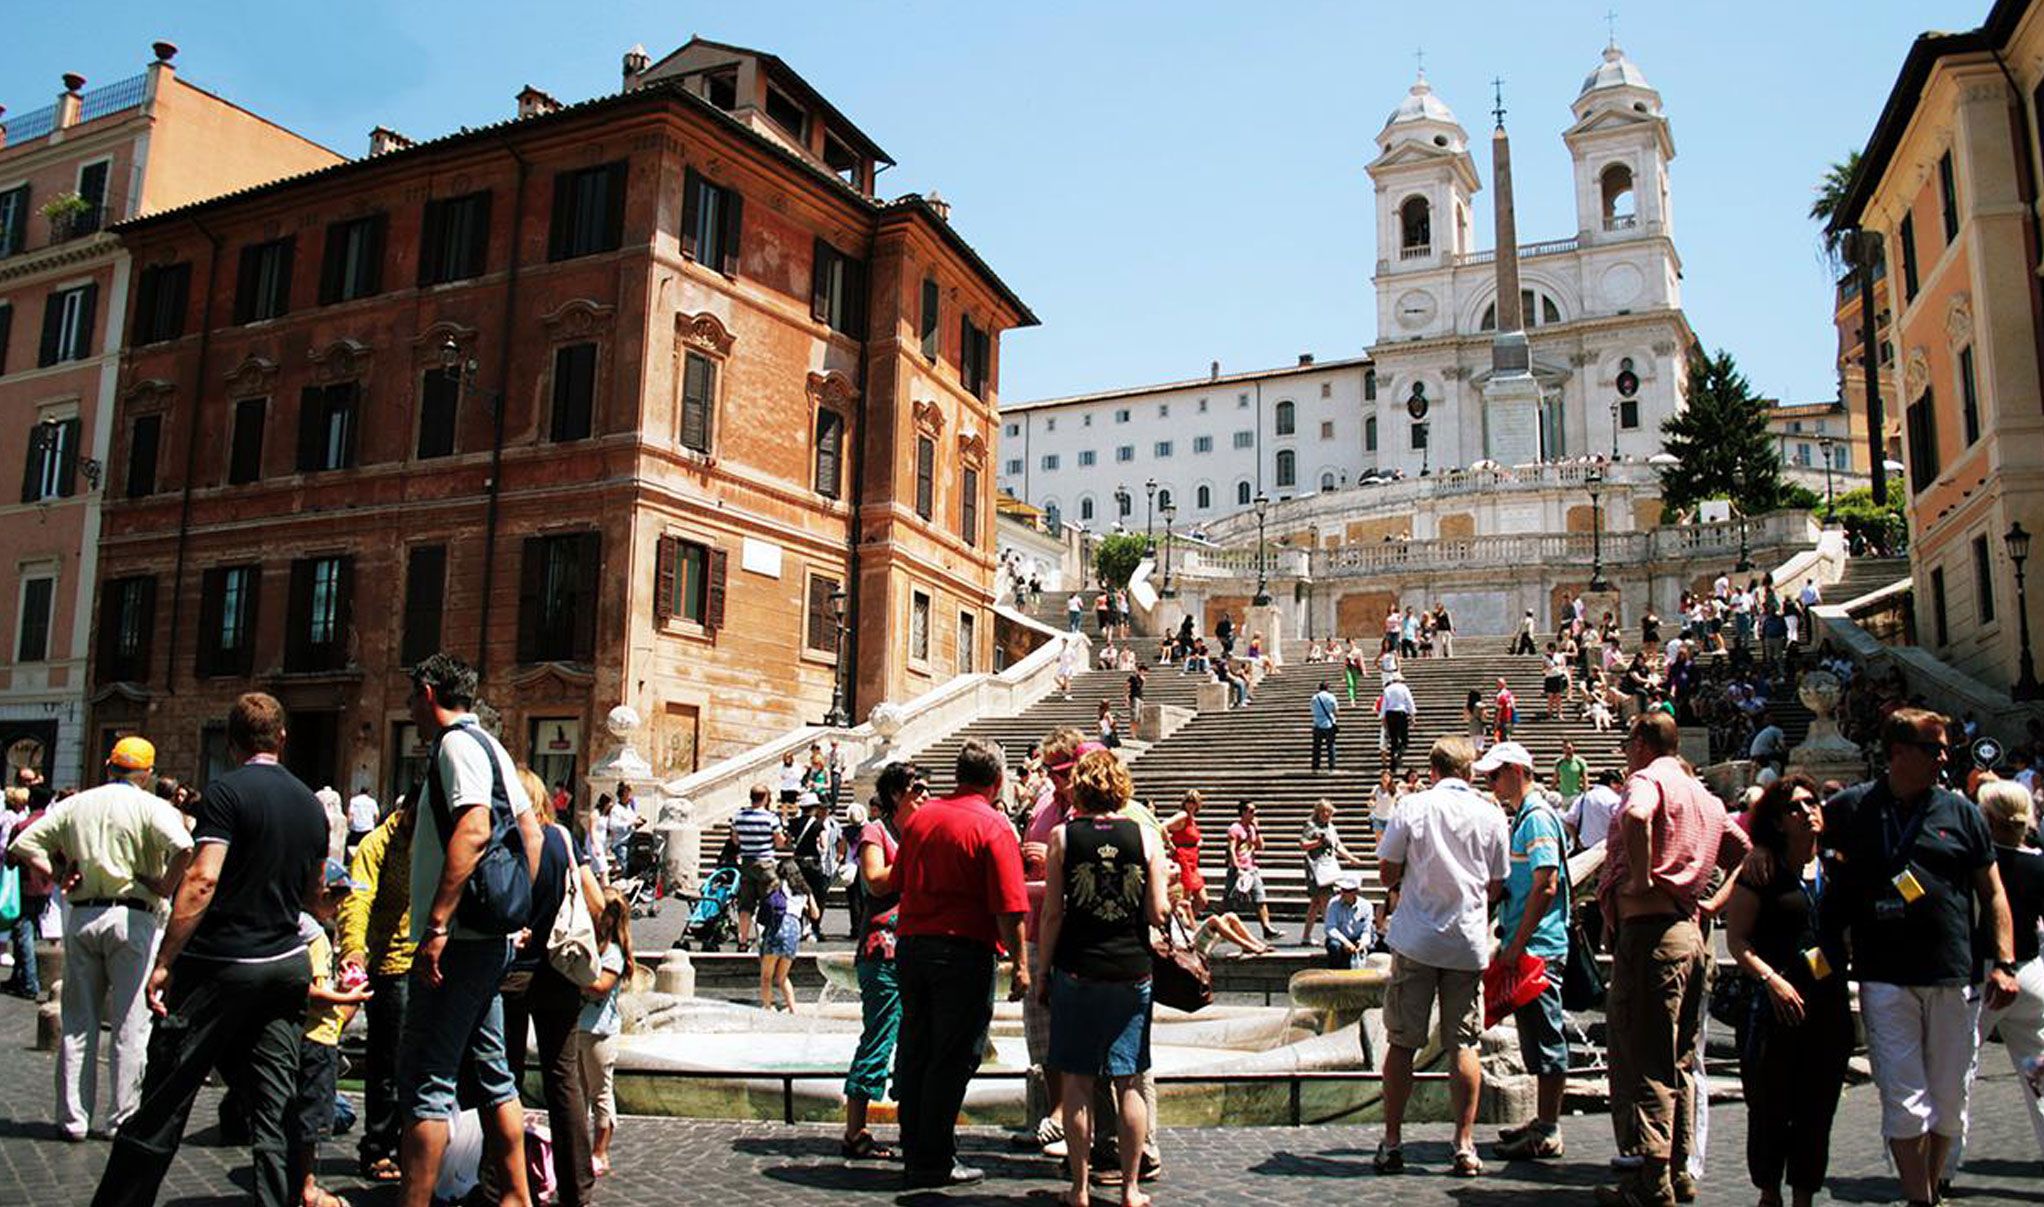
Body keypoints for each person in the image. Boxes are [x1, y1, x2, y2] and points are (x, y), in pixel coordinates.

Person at [91, 696, 329, 1207]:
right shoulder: (312, 804)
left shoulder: (224, 792)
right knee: (275, 1107)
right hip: (285, 964)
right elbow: (314, 896)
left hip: (223, 962)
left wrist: (165, 962)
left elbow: (201, 881)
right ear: (281, 738)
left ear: (232, 741)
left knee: (165, 1099)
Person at [1819, 709, 2019, 1207]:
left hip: (1953, 973)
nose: (1946, 757)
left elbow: (1992, 892)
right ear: (1899, 753)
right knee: (1904, 1100)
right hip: (1883, 974)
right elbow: (1805, 852)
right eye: (1935, 748)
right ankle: (1919, 1199)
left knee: (1949, 1102)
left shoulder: (1962, 812)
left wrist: (2005, 962)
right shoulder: (1849, 810)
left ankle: (1927, 1187)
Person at [395, 653, 545, 1207]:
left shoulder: (456, 746)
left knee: (426, 1080)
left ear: (429, 692)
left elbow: (476, 827)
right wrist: (512, 911)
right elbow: (531, 835)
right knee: (493, 1075)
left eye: (412, 697)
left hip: (457, 942)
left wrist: (438, 923)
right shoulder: (495, 748)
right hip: (489, 941)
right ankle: (516, 1196)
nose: (410, 708)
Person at [1595, 710, 1751, 1207]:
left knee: (1643, 1057)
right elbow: (1744, 851)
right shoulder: (1702, 794)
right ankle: (1681, 1170)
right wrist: (1716, 901)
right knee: (1679, 1060)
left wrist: (1640, 878)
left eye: (1626, 741)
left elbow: (1638, 816)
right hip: (1690, 934)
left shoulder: (1648, 779)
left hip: (1650, 935)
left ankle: (1649, 1181)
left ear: (1642, 743)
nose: (1624, 751)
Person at [8, 737, 193, 1141]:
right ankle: (121, 1120)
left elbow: (24, 844)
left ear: (110, 765)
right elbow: (184, 846)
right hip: (134, 918)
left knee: (77, 1021)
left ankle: (73, 1120)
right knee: (130, 1026)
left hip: (84, 913)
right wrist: (164, 885)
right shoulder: (153, 807)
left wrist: (57, 875)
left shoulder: (78, 803)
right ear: (146, 773)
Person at [1034, 750, 1169, 1206]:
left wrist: (1040, 972)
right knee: (1129, 1078)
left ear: (1081, 788)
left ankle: (1079, 1188)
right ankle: (1131, 1190)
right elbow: (1158, 911)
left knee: (1077, 1081)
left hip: (1077, 967)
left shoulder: (1062, 837)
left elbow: (1053, 913)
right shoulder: (1147, 838)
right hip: (1132, 969)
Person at [893, 740, 1029, 1189]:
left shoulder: (918, 820)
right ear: (997, 781)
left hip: (911, 948)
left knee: (916, 1048)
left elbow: (894, 881)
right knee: (953, 1056)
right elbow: (1010, 906)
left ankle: (914, 1147)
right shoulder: (994, 826)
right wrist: (1022, 964)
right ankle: (934, 1159)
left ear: (957, 775)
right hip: (963, 952)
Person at [1373, 737, 1507, 1178]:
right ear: (1470, 772)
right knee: (1463, 1043)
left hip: (1416, 938)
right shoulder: (1491, 813)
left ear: (1432, 770)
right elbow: (1495, 883)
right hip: (1466, 940)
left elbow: (1387, 871)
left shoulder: (1412, 807)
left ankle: (1392, 1142)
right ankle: (1464, 1145)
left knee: (1401, 1041)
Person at [1724, 775, 1853, 1207]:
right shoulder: (1763, 870)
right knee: (1770, 1106)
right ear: (1778, 822)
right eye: (1795, 807)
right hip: (1774, 1006)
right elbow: (1737, 939)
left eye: (1812, 803)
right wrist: (1770, 978)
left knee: (1818, 1109)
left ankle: (1804, 1196)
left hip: (1827, 1004)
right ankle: (1769, 1191)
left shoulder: (1836, 867)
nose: (1808, 811)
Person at [495, 766, 605, 1207]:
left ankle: (502, 1185)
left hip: (510, 972)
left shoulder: (503, 842)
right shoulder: (562, 839)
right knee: (564, 1081)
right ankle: (577, 1190)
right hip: (559, 971)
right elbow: (596, 901)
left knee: (504, 1081)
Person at [1480, 741, 1571, 1162]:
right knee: (1534, 1035)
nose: (1490, 783)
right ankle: (1542, 1120)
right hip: (1528, 942)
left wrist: (1516, 944)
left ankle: (1549, 1128)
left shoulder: (1535, 819)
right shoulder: (1525, 817)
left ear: (1517, 770)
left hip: (1537, 947)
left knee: (1546, 1037)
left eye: (1495, 775)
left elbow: (1546, 883)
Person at [841, 761, 925, 1161]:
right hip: (883, 949)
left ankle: (912, 1124)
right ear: (896, 794)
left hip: (918, 946)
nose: (925, 795)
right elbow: (875, 879)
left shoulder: (922, 830)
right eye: (917, 788)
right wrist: (916, 854)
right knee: (880, 1035)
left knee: (914, 1039)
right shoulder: (877, 831)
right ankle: (855, 1130)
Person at [1958, 778, 2044, 1163]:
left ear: (1988, 818)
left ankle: (1942, 1166)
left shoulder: (1976, 862)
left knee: (1959, 1069)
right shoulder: (2039, 862)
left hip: (1988, 976)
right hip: (2032, 975)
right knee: (2038, 1072)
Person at [337, 793, 416, 1184]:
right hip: (392, 963)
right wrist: (353, 949)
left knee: (418, 1063)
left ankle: (412, 1145)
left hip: (428, 962)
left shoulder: (435, 838)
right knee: (389, 1061)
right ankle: (378, 1146)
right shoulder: (376, 844)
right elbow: (358, 898)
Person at [290, 860, 375, 1207]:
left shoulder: (304, 928)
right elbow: (307, 990)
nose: (341, 907)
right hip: (316, 1040)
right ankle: (306, 1190)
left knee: (310, 1117)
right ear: (321, 894)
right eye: (338, 898)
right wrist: (346, 995)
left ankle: (300, 1185)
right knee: (312, 1120)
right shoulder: (311, 934)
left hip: (315, 1036)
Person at [574, 888, 633, 1178]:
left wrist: (571, 977)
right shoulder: (591, 944)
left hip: (600, 1032)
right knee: (578, 1094)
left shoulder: (613, 952)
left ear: (609, 918)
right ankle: (580, 1148)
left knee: (600, 1093)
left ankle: (601, 1151)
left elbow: (600, 986)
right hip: (579, 1028)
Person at [1298, 798, 1361, 946]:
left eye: (1329, 812)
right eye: (1324, 812)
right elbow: (1303, 844)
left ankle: (1306, 936)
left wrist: (1351, 858)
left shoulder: (1331, 826)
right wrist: (1318, 842)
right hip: (1317, 868)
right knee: (1326, 900)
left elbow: (1337, 845)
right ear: (1318, 812)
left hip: (1327, 866)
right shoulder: (1311, 826)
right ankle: (1333, 935)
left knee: (1315, 903)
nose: (1327, 814)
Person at [730, 784, 786, 950]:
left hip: (747, 862)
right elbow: (780, 842)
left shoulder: (738, 816)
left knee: (745, 905)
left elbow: (735, 841)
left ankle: (743, 941)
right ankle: (766, 939)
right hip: (766, 863)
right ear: (766, 798)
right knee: (769, 901)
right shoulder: (771, 818)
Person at [758, 857, 815, 1011]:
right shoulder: (804, 890)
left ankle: (768, 1008)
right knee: (782, 977)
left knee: (766, 976)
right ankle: (793, 1009)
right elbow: (815, 914)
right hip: (795, 929)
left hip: (779, 926)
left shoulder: (779, 885)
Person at [1225, 801, 1280, 940]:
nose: (1254, 813)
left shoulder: (1252, 828)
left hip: (1251, 868)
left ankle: (1267, 928)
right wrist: (1236, 867)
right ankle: (1219, 927)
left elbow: (1261, 846)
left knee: (1260, 897)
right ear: (1243, 812)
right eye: (1251, 811)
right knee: (1229, 901)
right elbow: (1231, 849)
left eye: (1254, 811)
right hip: (1238, 869)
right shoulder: (1235, 828)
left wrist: (1257, 829)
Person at [1162, 789, 1209, 914]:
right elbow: (1163, 826)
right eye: (1188, 801)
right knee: (1185, 898)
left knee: (1202, 900)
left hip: (1192, 860)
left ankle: (1185, 922)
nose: (1191, 804)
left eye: (1194, 801)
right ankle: (1182, 926)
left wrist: (1198, 841)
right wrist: (1170, 845)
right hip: (1183, 859)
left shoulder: (1191, 818)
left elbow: (1190, 835)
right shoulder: (1182, 815)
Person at [1323, 876, 1375, 969]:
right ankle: (1335, 974)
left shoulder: (1367, 906)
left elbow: (1367, 930)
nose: (1342, 893)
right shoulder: (1333, 903)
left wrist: (1362, 943)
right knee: (1334, 946)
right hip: (1339, 938)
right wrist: (1345, 942)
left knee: (1372, 946)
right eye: (1341, 890)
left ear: (1356, 892)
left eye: (1346, 891)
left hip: (1357, 938)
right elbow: (1330, 928)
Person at [1311, 679, 1340, 772]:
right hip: (1328, 724)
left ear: (1319, 688)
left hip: (1317, 724)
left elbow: (1312, 709)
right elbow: (1336, 710)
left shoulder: (1314, 698)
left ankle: (1315, 767)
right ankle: (1331, 768)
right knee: (1330, 746)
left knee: (1317, 747)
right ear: (1327, 688)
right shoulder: (1331, 697)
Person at [346, 784, 380, 855]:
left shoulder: (354, 800)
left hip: (356, 829)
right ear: (368, 792)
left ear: (360, 791)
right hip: (368, 829)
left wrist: (348, 826)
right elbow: (377, 815)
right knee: (366, 850)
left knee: (352, 850)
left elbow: (350, 815)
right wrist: (374, 824)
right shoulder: (372, 801)